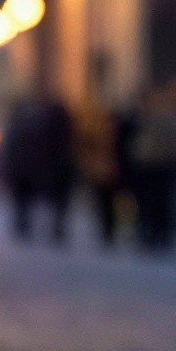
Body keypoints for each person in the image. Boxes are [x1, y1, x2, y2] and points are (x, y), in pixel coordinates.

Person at [129, 78, 176, 251]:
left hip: (153, 163)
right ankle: (157, 234)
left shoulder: (151, 114)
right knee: (160, 202)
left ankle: (153, 233)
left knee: (154, 202)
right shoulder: (168, 115)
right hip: (159, 164)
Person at [3, 90, 76, 243]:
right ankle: (35, 226)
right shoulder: (45, 130)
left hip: (33, 170)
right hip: (31, 170)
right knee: (32, 202)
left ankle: (29, 226)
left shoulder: (26, 127)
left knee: (28, 202)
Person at [72, 93, 122, 246]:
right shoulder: (93, 128)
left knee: (109, 202)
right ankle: (106, 230)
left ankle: (109, 230)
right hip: (101, 170)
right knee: (102, 202)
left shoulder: (114, 127)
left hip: (110, 170)